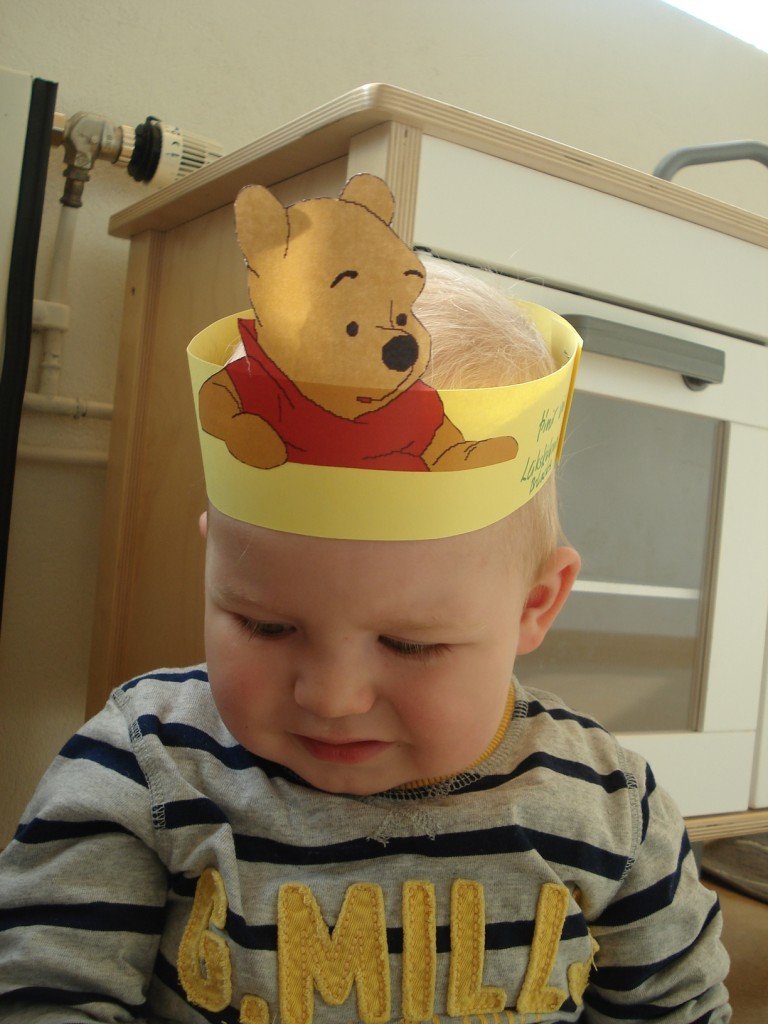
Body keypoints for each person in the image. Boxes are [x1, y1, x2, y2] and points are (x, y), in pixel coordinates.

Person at [0, 234, 730, 1019]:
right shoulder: (144, 769)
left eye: (410, 644)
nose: (332, 697)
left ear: (535, 606)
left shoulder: (610, 809)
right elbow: (43, 991)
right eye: (264, 625)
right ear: (212, 567)